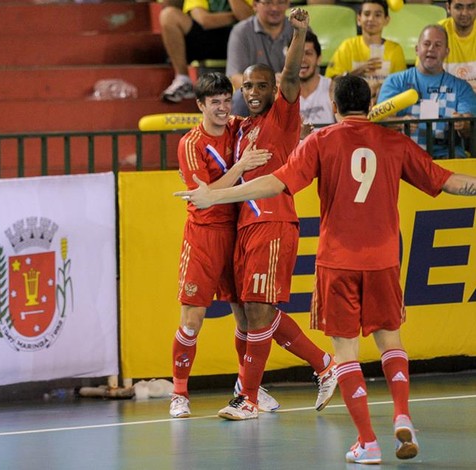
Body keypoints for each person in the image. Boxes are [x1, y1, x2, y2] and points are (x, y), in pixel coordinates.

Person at [175, 73, 476, 463]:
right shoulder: (394, 142)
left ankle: (367, 441)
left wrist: (216, 194)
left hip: (337, 261)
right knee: (391, 341)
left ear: (333, 105)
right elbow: (449, 181)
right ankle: (402, 413)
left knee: (346, 353)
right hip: (384, 259)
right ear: (370, 104)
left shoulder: (321, 140)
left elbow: (275, 184)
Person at [216, 8, 337, 422]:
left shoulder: (282, 115)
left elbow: (289, 77)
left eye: (260, 85)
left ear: (274, 89)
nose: (252, 91)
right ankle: (324, 363)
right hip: (245, 226)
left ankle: (247, 397)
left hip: (273, 221)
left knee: (258, 311)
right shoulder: (243, 128)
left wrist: (299, 32)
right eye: (247, 84)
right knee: (252, 312)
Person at [170, 71, 276, 418]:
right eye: (213, 102)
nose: (221, 108)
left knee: (245, 318)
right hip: (204, 234)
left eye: (226, 100)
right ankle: (180, 393)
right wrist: (242, 166)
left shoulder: (238, 127)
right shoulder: (190, 143)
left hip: (239, 230)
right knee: (192, 319)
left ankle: (248, 387)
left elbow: (268, 116)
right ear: (200, 105)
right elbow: (206, 197)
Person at [378, 24, 476, 158]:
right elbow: (380, 120)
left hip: (448, 155)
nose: (431, 49)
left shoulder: (462, 87)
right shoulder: (395, 81)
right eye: (427, 44)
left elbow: (470, 129)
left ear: (447, 52)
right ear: (417, 49)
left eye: (438, 45)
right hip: (404, 155)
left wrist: (463, 124)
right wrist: (400, 122)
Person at [159, 0, 254, 103]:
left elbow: (249, 18)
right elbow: (204, 20)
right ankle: (183, 79)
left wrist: (239, 15)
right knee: (168, 15)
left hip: (244, 40)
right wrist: (235, 17)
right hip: (209, 40)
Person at [325, 0, 406, 102]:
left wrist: (382, 87)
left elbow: (401, 86)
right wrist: (358, 71)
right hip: (352, 107)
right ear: (359, 19)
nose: (371, 19)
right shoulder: (347, 46)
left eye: (378, 15)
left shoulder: (395, 49)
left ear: (386, 20)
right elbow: (332, 83)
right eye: (367, 14)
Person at [226, 0, 293, 116]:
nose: (275, 8)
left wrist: (287, 83)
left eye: (281, 2)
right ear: (255, 5)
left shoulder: (299, 30)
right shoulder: (241, 32)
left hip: (291, 91)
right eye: (268, 3)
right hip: (259, 95)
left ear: (288, 4)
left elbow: (309, 69)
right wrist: (268, 86)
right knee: (239, 97)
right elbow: (236, 77)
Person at [299, 30, 335, 135]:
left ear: (319, 59)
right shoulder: (280, 93)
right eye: (297, 53)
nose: (302, 59)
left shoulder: (331, 88)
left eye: (308, 53)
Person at [439, 0, 476, 91]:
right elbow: (424, 79)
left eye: (471, 7)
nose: (464, 13)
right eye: (459, 7)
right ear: (448, 7)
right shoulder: (436, 33)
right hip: (445, 98)